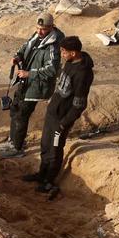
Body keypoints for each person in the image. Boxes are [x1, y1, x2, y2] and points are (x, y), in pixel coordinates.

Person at [20, 36, 94, 197]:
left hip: (61, 119)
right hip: (53, 113)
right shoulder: (70, 63)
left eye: (64, 52)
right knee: (45, 145)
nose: (62, 54)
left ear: (73, 53)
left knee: (55, 149)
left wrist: (65, 122)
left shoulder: (83, 74)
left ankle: (49, 181)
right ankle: (42, 174)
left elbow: (79, 104)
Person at [0, 12, 65, 158]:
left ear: (51, 27)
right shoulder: (37, 36)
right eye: (38, 28)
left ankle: (17, 148)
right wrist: (17, 56)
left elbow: (52, 69)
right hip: (25, 82)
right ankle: (14, 140)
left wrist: (30, 73)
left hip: (36, 86)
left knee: (22, 113)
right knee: (15, 109)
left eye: (43, 29)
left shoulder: (53, 45)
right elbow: (25, 47)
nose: (39, 32)